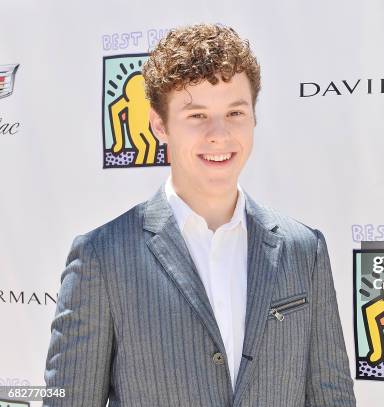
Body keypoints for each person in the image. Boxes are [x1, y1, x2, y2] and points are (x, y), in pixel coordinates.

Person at [43, 23, 356, 407]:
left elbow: (332, 396)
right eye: (197, 116)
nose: (219, 134)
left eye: (235, 112)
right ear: (160, 125)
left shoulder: (303, 250)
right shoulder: (101, 258)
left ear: (254, 117)